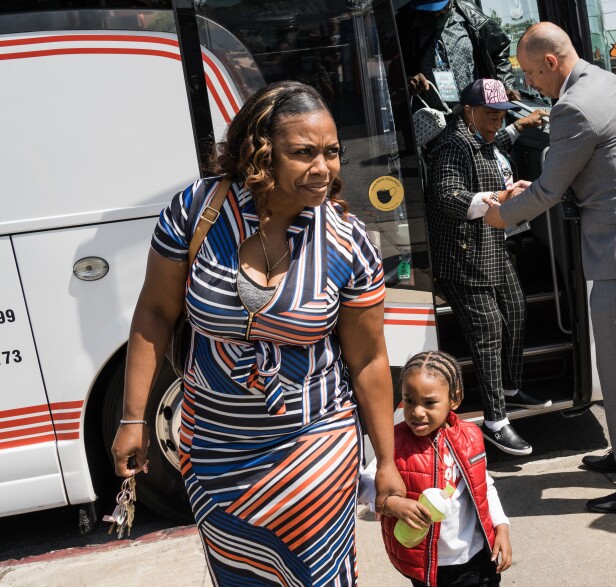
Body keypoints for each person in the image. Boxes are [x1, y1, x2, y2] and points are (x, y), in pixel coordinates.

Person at [110, 80, 405, 585]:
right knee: (238, 574)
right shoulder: (196, 213)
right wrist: (132, 418)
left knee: (319, 576)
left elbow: (369, 360)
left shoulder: (349, 242)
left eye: (332, 153)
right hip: (216, 448)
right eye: (303, 153)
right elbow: (155, 314)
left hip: (316, 442)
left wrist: (386, 462)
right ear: (261, 153)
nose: (324, 168)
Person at [484, 23, 616, 514]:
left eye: (531, 73)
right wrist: (545, 180)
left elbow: (549, 193)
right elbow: (581, 168)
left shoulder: (573, 106)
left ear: (551, 62)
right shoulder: (603, 81)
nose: (531, 84)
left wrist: (500, 214)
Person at [427, 77, 549, 456]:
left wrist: (519, 128)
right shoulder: (453, 144)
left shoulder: (484, 137)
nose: (497, 121)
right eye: (490, 114)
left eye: (502, 114)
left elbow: (498, 144)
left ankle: (510, 388)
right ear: (469, 111)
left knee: (515, 308)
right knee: (488, 329)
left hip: (492, 245)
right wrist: (501, 196)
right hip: (462, 256)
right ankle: (496, 421)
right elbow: (447, 195)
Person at [358, 350, 512, 587]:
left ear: (455, 399)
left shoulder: (470, 436)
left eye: (429, 403)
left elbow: (484, 484)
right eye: (409, 401)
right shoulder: (392, 442)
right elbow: (363, 482)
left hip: (478, 557)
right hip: (427, 566)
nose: (417, 412)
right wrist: (391, 504)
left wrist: (501, 526)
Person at [396, 0, 521, 112]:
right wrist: (407, 80)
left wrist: (506, 85)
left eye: (439, 9)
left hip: (475, 112)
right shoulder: (403, 25)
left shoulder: (472, 17)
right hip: (433, 119)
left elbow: (499, 52)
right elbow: (390, 70)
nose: (435, 14)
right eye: (429, 11)